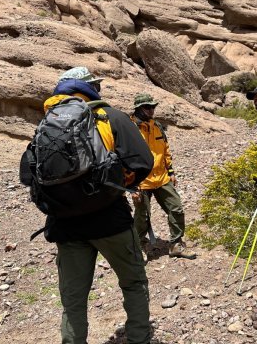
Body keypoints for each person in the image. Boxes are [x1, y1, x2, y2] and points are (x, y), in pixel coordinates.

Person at [41, 67, 154, 344]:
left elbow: (32, 174)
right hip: (110, 219)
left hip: (65, 224)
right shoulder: (110, 116)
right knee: (133, 283)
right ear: (90, 87)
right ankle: (139, 338)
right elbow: (143, 162)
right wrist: (118, 184)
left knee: (74, 298)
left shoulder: (48, 122)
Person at [130, 93, 197, 260]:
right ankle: (138, 246)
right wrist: (131, 184)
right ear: (138, 108)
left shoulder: (157, 126)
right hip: (141, 181)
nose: (152, 110)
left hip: (161, 178)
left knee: (176, 208)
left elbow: (165, 150)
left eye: (153, 107)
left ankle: (175, 244)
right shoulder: (130, 128)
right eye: (147, 107)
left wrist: (171, 172)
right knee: (142, 216)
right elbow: (125, 155)